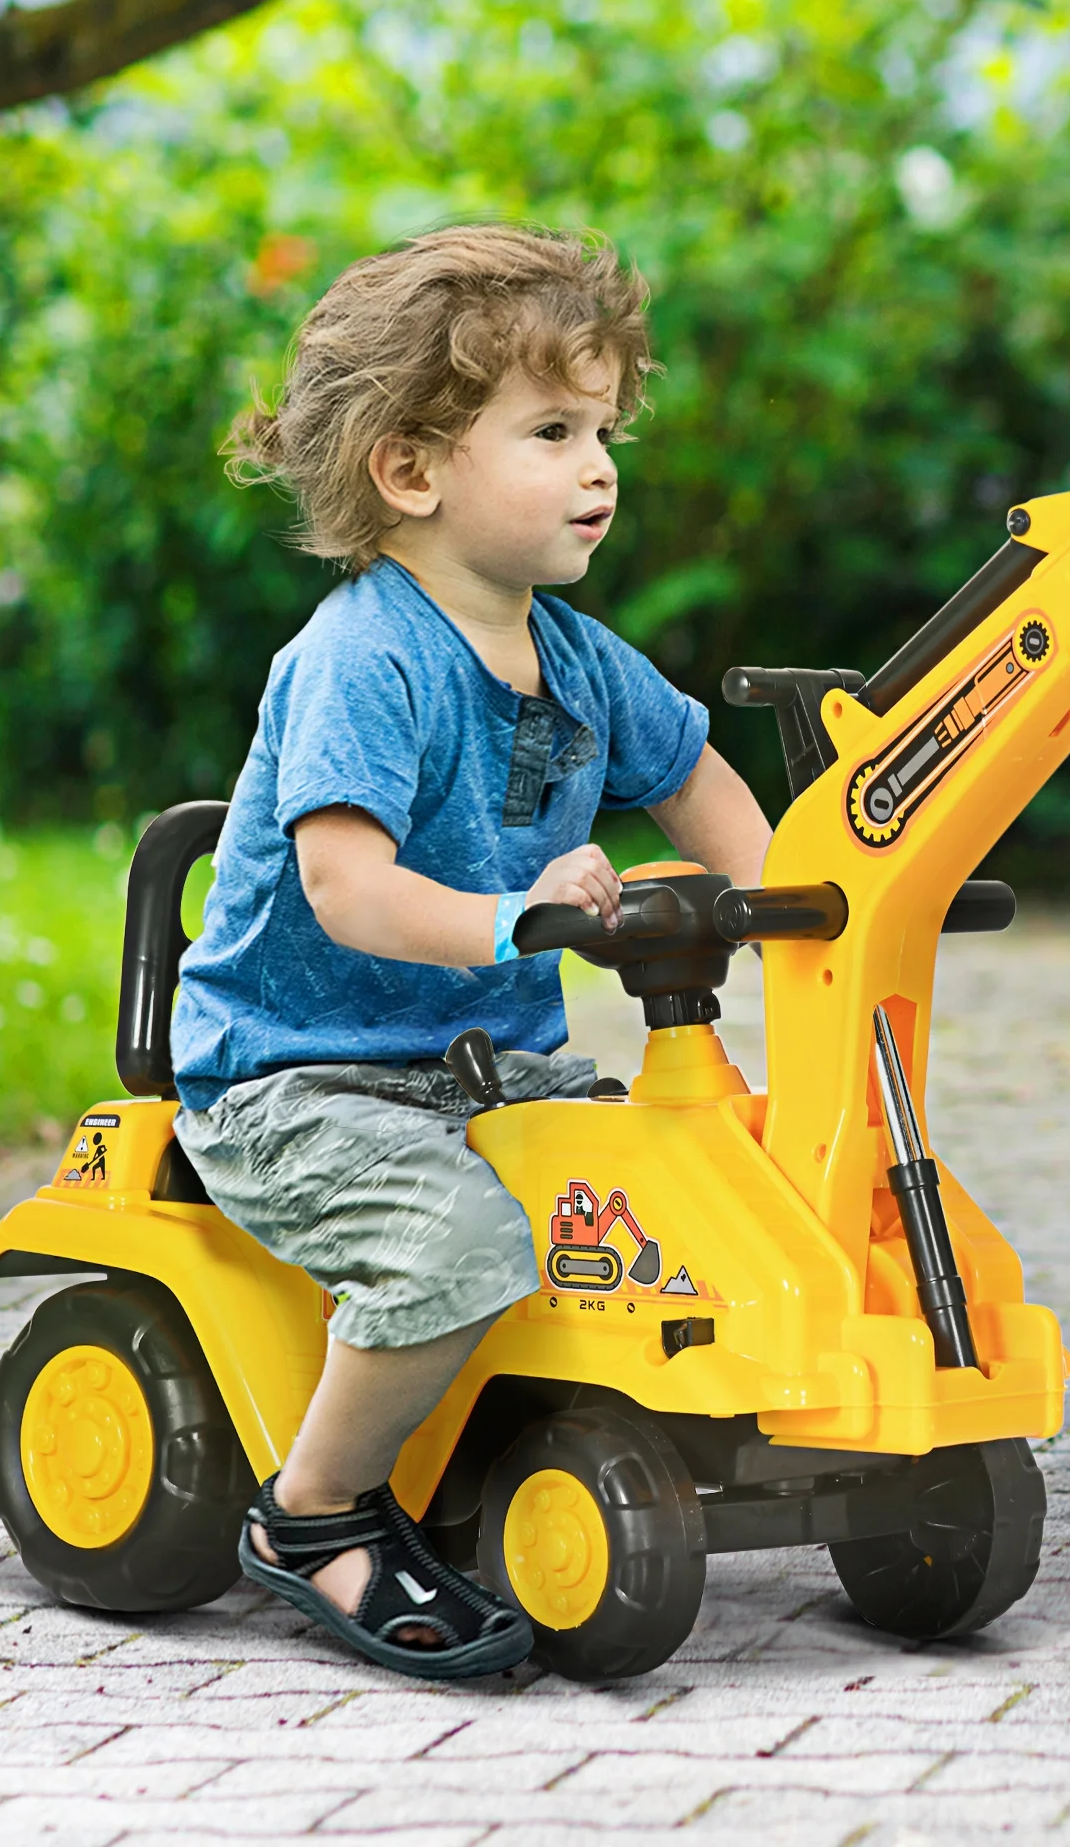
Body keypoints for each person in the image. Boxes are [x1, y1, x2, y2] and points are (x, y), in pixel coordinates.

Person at [168, 225, 772, 1679]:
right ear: (413, 470)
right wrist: (514, 916)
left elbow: (697, 783)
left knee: (692, 1188)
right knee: (457, 1249)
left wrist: (800, 902)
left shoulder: (576, 657)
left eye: (606, 431)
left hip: (490, 1071)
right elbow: (348, 890)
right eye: (555, 431)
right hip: (301, 1081)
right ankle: (311, 1516)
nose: (601, 468)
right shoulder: (360, 659)